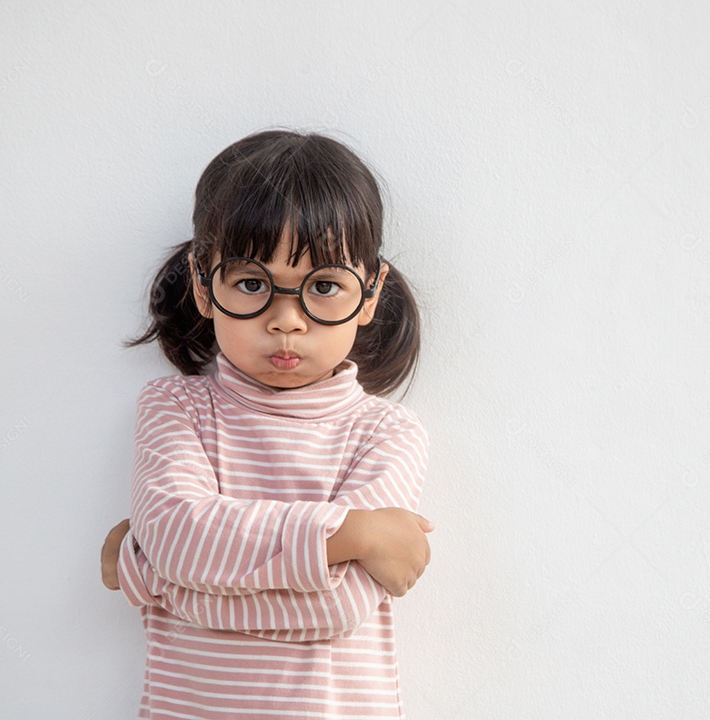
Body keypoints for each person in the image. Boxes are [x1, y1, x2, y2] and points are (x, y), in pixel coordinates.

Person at [97, 129, 435, 719]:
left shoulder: (387, 434)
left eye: (324, 286)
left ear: (370, 292)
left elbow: (339, 607)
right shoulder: (174, 409)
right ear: (205, 284)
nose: (286, 322)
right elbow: (178, 537)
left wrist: (155, 574)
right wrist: (353, 536)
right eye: (252, 284)